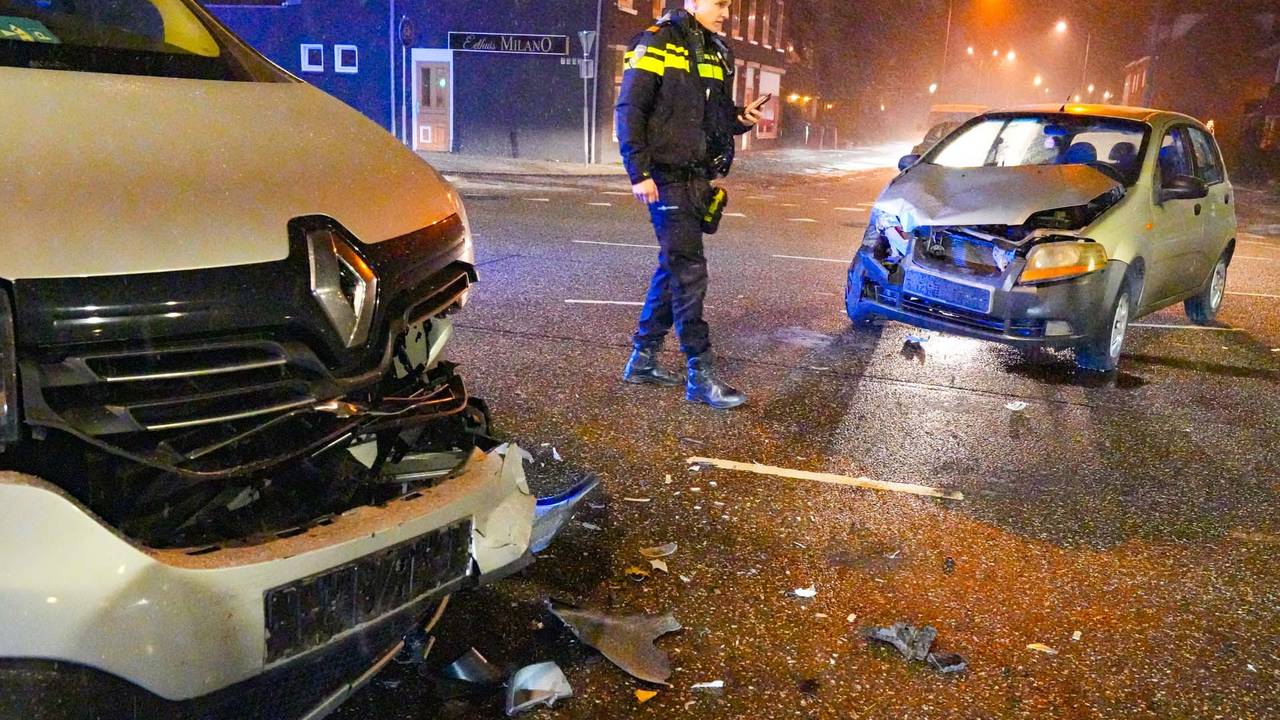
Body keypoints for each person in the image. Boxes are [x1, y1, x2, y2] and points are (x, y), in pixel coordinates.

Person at [615, 0, 765, 410]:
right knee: (689, 272)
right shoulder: (657, 42)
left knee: (674, 267)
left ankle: (642, 359)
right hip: (665, 177)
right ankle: (701, 372)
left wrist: (740, 118)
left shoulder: (716, 51)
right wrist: (638, 171)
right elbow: (631, 108)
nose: (727, 12)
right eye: (719, 3)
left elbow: (711, 114)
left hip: (698, 176)